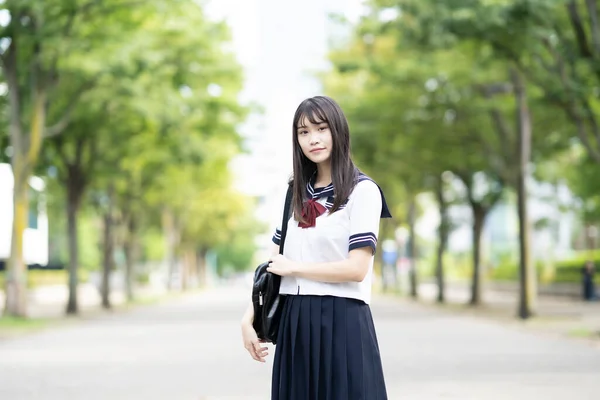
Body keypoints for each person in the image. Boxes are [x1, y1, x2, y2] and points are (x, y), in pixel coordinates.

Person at [240, 95, 391, 399]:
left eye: (321, 129)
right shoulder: (294, 192)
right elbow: (274, 265)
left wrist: (296, 268)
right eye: (303, 132)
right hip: (295, 322)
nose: (313, 139)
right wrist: (249, 317)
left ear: (338, 131)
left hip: (342, 320)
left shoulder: (362, 191)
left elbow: (357, 268)